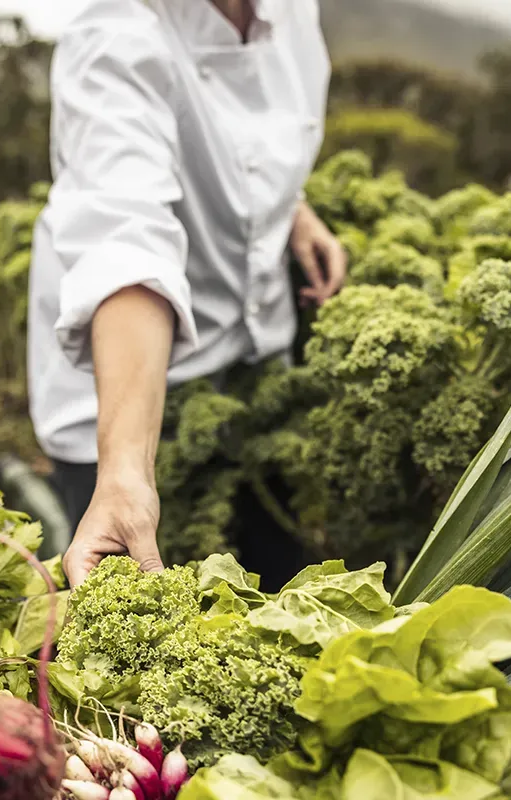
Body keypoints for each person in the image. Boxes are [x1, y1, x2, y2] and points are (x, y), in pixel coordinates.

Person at [26, 0, 348, 589]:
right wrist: (125, 474)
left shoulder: (294, 11)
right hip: (124, 397)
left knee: (280, 578)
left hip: (251, 370)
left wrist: (291, 210)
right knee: (160, 620)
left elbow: (247, 137)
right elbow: (128, 243)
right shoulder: (114, 37)